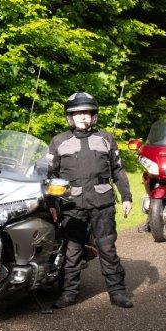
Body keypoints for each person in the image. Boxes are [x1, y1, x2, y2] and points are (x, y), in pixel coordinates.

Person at [48, 92, 134, 309]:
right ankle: (69, 293)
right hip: (72, 206)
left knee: (107, 248)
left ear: (94, 116)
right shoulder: (58, 141)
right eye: (78, 113)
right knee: (72, 251)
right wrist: (51, 204)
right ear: (70, 117)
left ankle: (117, 292)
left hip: (102, 203)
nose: (83, 117)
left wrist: (126, 197)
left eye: (87, 112)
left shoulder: (106, 138)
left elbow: (118, 170)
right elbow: (49, 175)